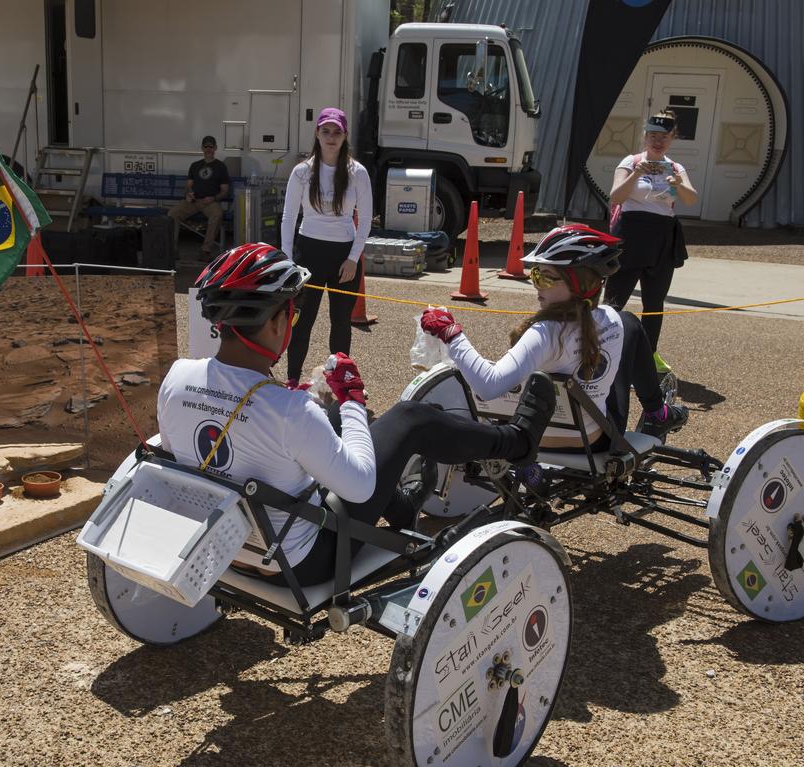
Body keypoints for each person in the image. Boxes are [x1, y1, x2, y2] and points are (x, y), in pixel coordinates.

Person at [157, 243, 556, 587]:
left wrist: (334, 414)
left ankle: (402, 506)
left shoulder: (176, 378)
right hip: (302, 562)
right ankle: (517, 441)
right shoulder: (289, 409)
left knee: (329, 420)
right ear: (278, 322)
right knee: (410, 418)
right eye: (292, 315)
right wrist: (351, 399)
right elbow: (361, 487)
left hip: (225, 545)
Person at [419, 225, 688, 450]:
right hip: (593, 439)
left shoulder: (543, 333)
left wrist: (451, 334)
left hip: (533, 435)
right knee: (630, 322)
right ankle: (657, 413)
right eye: (535, 275)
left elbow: (489, 386)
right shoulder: (612, 321)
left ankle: (656, 412)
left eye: (545, 278)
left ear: (579, 283)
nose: (536, 286)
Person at [280, 107, 373, 388]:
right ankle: (293, 378)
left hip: (343, 257)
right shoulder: (301, 172)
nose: (331, 137)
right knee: (302, 321)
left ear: (345, 136)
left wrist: (353, 259)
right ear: (317, 134)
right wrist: (288, 260)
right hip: (307, 254)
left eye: (337, 132)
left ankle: (339, 381)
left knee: (341, 323)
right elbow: (288, 217)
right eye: (325, 131)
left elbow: (366, 219)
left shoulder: (358, 173)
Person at [603, 111, 697, 373]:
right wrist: (636, 174)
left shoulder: (676, 167)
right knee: (614, 299)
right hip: (630, 236)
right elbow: (616, 196)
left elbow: (691, 199)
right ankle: (600, 349)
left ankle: (648, 356)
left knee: (654, 303)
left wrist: (679, 184)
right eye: (653, 136)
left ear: (672, 138)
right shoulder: (631, 161)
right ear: (645, 137)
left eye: (664, 137)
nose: (658, 141)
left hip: (662, 239)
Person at [168, 135, 231, 258]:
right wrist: (189, 193)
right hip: (193, 201)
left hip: (210, 202)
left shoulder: (221, 166)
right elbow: (189, 185)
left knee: (217, 215)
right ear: (202, 148)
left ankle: (205, 250)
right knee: (172, 214)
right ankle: (172, 250)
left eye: (211, 146)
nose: (208, 149)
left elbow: (225, 190)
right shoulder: (195, 165)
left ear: (215, 148)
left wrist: (213, 198)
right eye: (206, 146)